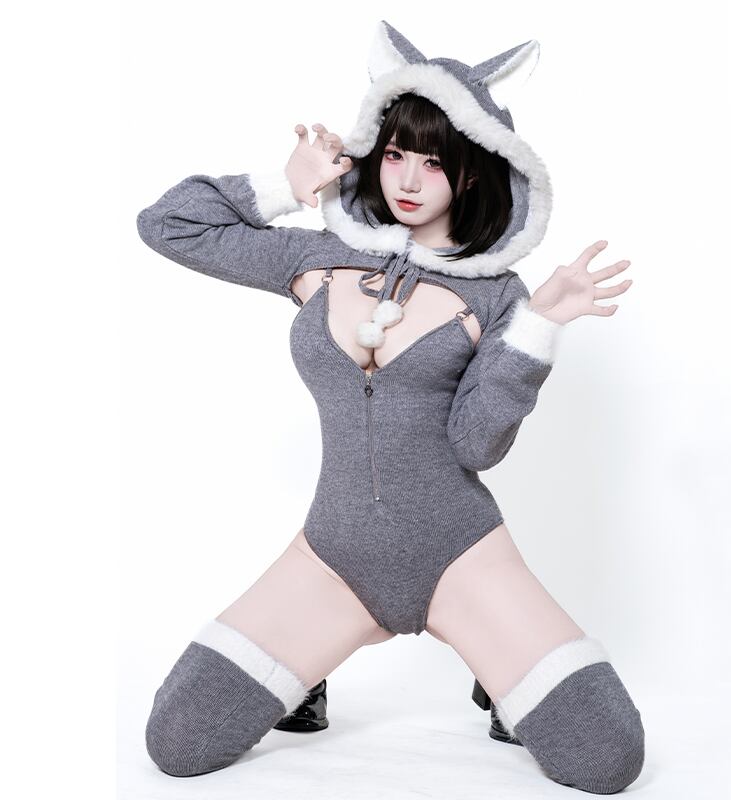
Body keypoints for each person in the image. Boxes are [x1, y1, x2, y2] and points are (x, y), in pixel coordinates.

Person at [135, 20, 644, 793]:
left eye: (435, 162)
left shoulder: (500, 296)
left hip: (462, 554)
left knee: (606, 758)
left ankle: (491, 664)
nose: (408, 179)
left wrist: (538, 328)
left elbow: (476, 445)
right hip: (332, 555)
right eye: (397, 153)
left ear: (471, 174)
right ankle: (311, 665)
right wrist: (285, 187)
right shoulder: (317, 256)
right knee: (176, 742)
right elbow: (167, 224)